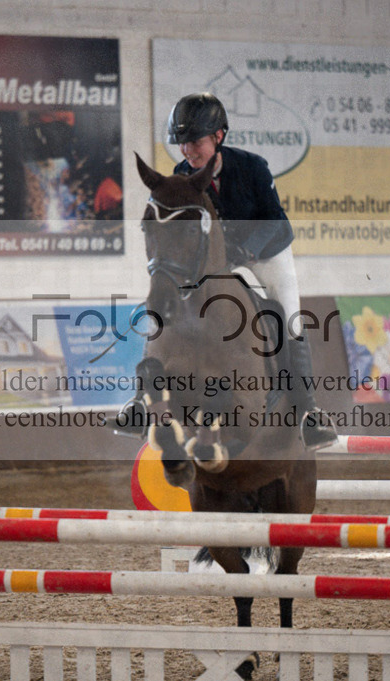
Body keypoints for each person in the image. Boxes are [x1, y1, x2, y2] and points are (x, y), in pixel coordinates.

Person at [124, 92, 336, 450]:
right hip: (219, 259)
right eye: (183, 144)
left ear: (218, 136)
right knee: (169, 304)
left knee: (290, 317)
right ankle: (138, 404)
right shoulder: (181, 176)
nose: (188, 151)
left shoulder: (253, 167)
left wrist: (246, 249)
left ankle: (308, 412)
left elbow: (276, 222)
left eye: (195, 142)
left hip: (266, 251)